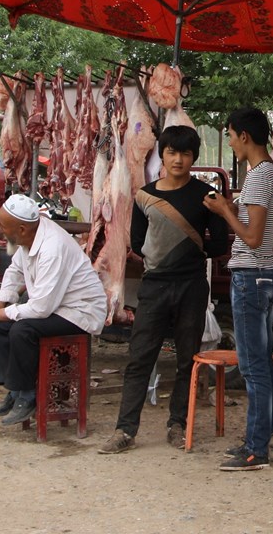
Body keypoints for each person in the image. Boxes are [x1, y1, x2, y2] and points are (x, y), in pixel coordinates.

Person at [99, 125, 229, 454]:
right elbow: (138, 243)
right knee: (140, 357)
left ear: (194, 158)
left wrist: (187, 253)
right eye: (172, 152)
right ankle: (124, 430)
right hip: (154, 286)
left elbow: (220, 243)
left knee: (188, 359)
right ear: (163, 154)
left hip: (192, 287)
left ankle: (178, 425)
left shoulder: (207, 197)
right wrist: (167, 256)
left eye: (185, 153)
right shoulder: (145, 196)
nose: (178, 159)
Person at [203, 108, 273, 471]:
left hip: (250, 274)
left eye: (230, 135)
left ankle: (256, 450)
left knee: (253, 368)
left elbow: (253, 238)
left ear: (244, 137)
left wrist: (225, 210)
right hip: (266, 274)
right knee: (262, 365)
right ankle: (260, 440)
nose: (230, 142)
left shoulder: (257, 178)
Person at [0, 194, 107, 426]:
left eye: (4, 227)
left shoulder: (52, 247)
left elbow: (40, 308)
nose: (1, 231)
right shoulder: (29, 235)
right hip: (56, 307)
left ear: (21, 229)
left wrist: (3, 313)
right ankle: (14, 390)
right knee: (1, 327)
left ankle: (27, 396)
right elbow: (14, 272)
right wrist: (1, 302)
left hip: (79, 312)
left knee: (22, 330)